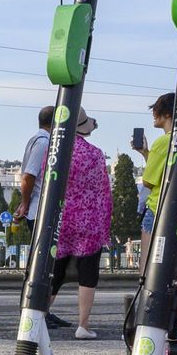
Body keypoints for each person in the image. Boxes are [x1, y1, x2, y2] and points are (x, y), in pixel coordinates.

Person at [45, 109, 111, 339]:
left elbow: (48, 184)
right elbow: (104, 191)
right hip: (90, 220)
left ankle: (38, 316)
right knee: (88, 273)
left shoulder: (55, 153)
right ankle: (83, 325)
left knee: (56, 271)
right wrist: (105, 224)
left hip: (62, 219)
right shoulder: (95, 154)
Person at [14, 105, 73, 329]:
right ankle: (37, 311)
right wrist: (26, 203)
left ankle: (42, 310)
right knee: (45, 264)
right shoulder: (44, 143)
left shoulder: (36, 140)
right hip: (40, 210)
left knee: (46, 264)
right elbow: (28, 176)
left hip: (37, 208)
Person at [134, 91, 177, 337]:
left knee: (146, 266)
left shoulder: (162, 142)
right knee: (174, 269)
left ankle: (149, 318)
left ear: (165, 113)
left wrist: (149, 154)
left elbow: (149, 181)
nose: (153, 115)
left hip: (156, 209)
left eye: (155, 110)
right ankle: (176, 322)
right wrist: (146, 154)